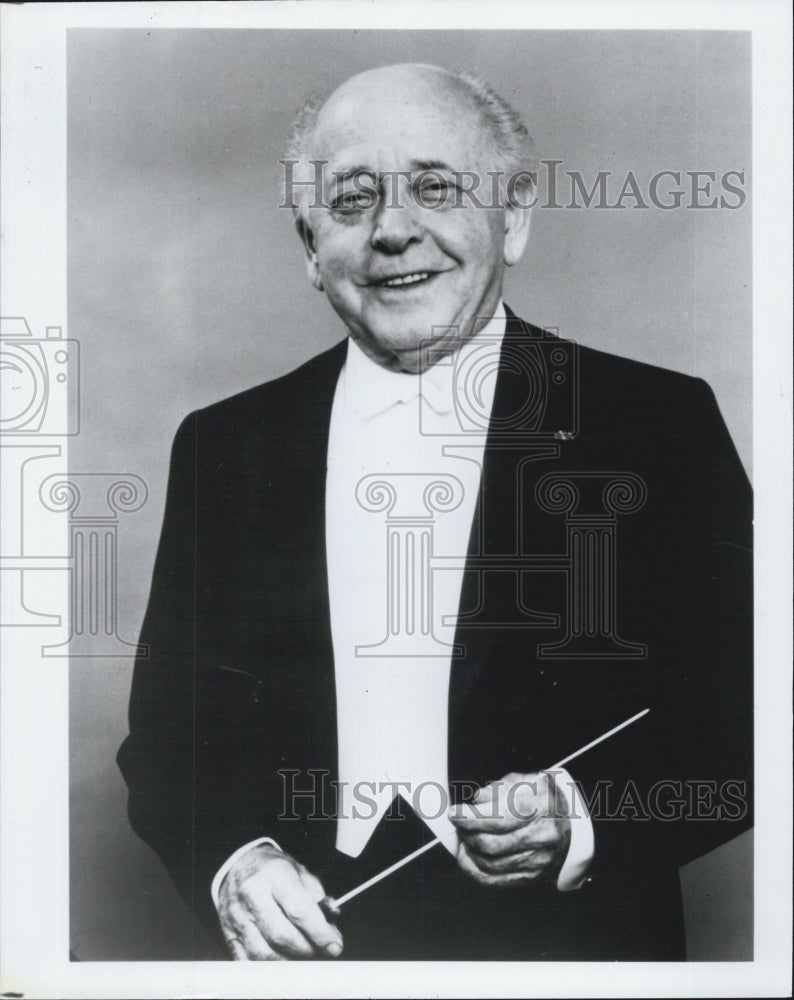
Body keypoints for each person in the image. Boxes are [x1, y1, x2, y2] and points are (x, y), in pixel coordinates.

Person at [118, 63, 753, 961]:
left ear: (514, 216)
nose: (393, 230)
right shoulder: (223, 446)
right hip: (313, 959)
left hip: (572, 955)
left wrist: (583, 811)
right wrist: (235, 862)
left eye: (436, 188)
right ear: (310, 248)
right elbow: (169, 736)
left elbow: (755, 706)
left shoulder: (656, 422)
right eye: (351, 201)